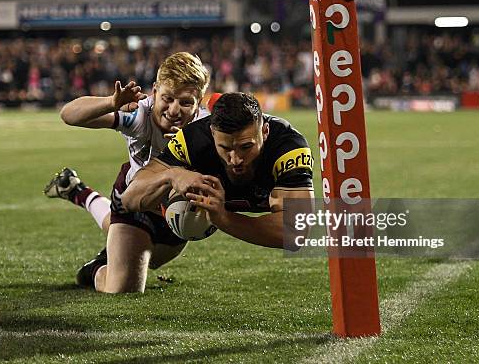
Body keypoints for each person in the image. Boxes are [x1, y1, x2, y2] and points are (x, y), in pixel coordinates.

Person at [82, 92, 315, 293]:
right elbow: (130, 198)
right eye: (225, 148)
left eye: (246, 147)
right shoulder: (193, 139)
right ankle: (94, 255)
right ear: (213, 134)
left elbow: (296, 232)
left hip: (199, 217)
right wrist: (171, 175)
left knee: (155, 256)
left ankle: (117, 251)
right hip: (162, 207)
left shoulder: (289, 148)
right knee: (123, 286)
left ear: (264, 131)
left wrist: (223, 218)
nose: (236, 159)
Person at [43, 52, 212, 292]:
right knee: (123, 287)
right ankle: (96, 269)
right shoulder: (139, 115)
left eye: (185, 102)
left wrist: (194, 145)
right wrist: (111, 103)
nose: (174, 110)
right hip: (135, 201)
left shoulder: (209, 127)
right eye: (168, 98)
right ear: (154, 91)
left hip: (174, 213)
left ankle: (79, 192)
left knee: (152, 259)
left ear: (199, 102)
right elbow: (68, 115)